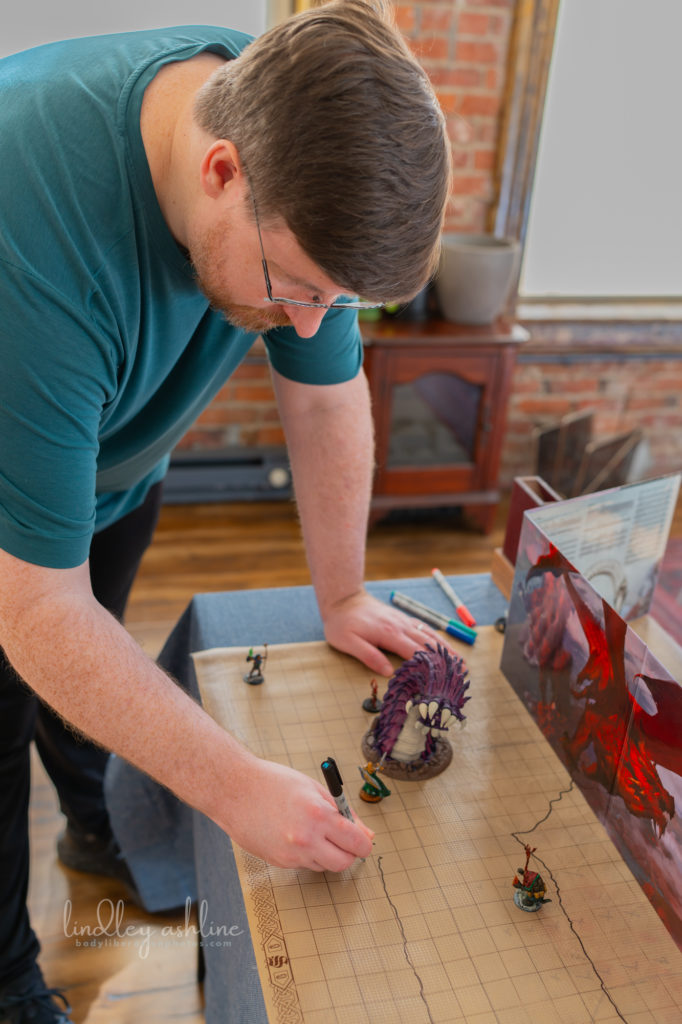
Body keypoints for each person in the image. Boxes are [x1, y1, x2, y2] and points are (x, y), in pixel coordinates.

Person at [0, 1, 451, 1019]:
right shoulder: (28, 228)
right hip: (9, 453)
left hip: (114, 461)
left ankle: (92, 822)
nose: (306, 324)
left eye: (334, 301)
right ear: (218, 173)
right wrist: (235, 787)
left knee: (94, 652)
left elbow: (326, 396)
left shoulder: (292, 132)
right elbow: (36, 613)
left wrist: (340, 594)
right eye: (296, 289)